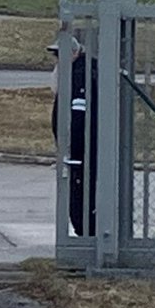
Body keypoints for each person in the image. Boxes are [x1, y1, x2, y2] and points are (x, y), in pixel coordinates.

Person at [49, 33, 99, 237]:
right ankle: (86, 236)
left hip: (82, 152)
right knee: (80, 199)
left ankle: (86, 239)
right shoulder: (74, 72)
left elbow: (79, 117)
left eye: (61, 55)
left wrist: (73, 152)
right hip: (78, 152)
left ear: (75, 53)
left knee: (80, 201)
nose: (58, 60)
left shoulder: (81, 75)